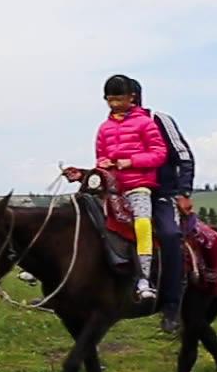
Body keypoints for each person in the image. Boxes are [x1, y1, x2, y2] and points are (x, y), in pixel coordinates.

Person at [71, 74, 168, 301]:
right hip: (111, 187)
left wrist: (131, 161)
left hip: (138, 186)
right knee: (81, 216)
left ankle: (145, 278)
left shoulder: (146, 123)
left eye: (118, 99)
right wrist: (102, 165)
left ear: (131, 98)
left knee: (142, 225)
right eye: (110, 100)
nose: (114, 104)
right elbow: (100, 158)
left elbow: (159, 154)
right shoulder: (104, 128)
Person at [126, 76, 196, 334]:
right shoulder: (113, 126)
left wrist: (183, 191)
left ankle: (171, 304)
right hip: (125, 191)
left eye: (119, 96)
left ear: (134, 97)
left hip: (160, 193)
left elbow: (184, 156)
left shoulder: (159, 120)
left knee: (169, 234)